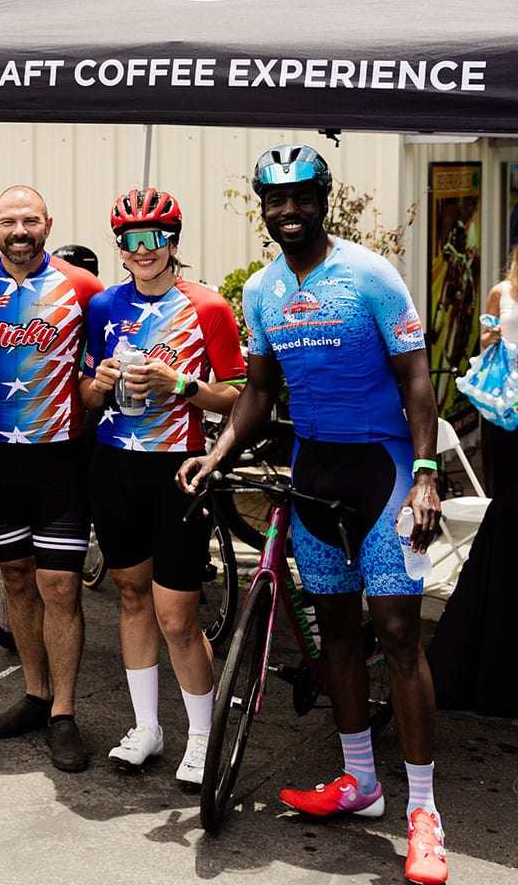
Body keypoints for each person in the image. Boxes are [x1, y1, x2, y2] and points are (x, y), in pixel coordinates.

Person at [177, 144, 447, 885]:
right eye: (276, 200)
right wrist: (217, 454)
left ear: (323, 202)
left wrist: (427, 474)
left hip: (385, 473)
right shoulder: (263, 291)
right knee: (336, 636)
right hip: (315, 476)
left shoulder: (370, 274)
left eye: (302, 197)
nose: (288, 210)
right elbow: (260, 393)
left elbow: (416, 378)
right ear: (263, 209)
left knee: (399, 636)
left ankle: (425, 813)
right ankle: (359, 781)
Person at [80, 189, 246, 784]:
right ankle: (147, 727)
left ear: (173, 242)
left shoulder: (207, 306)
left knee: (176, 616)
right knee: (131, 598)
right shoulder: (104, 306)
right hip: (114, 466)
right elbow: (86, 395)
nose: (142, 249)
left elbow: (238, 394)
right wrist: (100, 384)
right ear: (119, 247)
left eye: (154, 238)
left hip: (179, 470)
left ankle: (202, 737)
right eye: (130, 240)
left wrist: (181, 384)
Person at [0, 186, 104, 772]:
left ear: (48, 225)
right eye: (9, 221)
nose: (19, 231)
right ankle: (35, 695)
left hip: (62, 457)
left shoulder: (83, 288)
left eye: (30, 221)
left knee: (59, 585)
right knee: (15, 578)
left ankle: (64, 712)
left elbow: (105, 363)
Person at [478, 247, 518, 496]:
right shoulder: (500, 291)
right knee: (503, 457)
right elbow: (483, 339)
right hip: (504, 388)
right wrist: (492, 335)